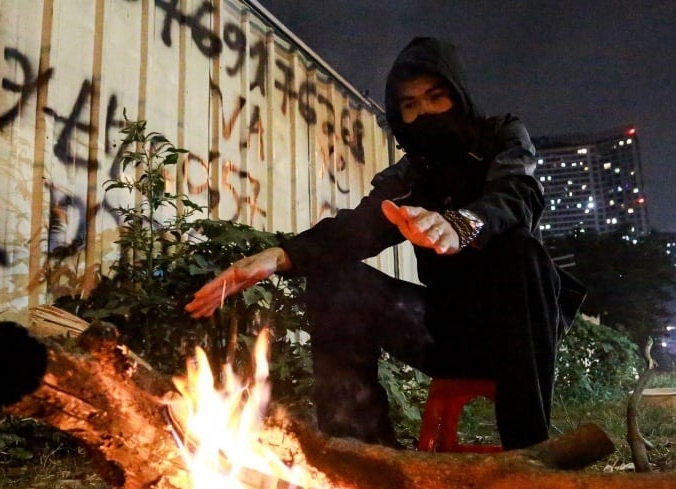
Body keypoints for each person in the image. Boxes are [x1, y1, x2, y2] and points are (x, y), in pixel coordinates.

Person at [186, 37, 583, 450]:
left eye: (436, 97)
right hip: (441, 331)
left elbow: (517, 194)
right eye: (410, 105)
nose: (424, 112)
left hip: (518, 332)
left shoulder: (500, 136)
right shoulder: (409, 177)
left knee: (521, 251)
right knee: (334, 281)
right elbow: (354, 230)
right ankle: (361, 453)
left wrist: (462, 225)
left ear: (459, 94)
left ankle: (531, 456)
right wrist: (280, 255)